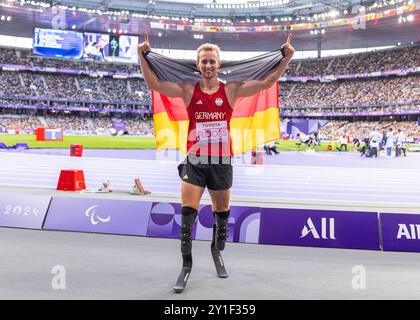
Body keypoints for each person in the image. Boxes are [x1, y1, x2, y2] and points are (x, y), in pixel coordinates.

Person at [137, 33, 295, 292]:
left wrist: (286, 58)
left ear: (219, 64)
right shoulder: (188, 90)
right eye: (203, 62)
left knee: (222, 217)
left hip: (221, 162)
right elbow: (154, 84)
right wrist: (140, 56)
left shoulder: (231, 90)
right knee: (187, 216)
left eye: (212, 61)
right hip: (195, 161)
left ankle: (216, 251)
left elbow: (268, 82)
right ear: (197, 65)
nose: (208, 65)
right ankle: (186, 266)